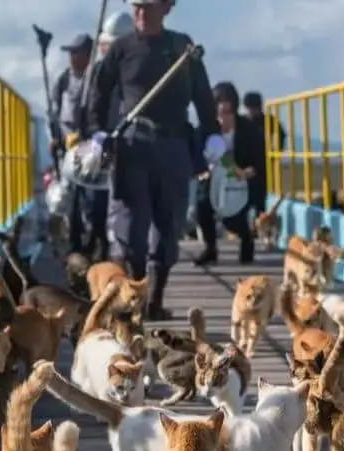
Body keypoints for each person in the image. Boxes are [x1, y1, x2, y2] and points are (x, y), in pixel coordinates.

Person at [85, 0, 223, 320]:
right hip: (133, 146)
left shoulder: (182, 48)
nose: (141, 13)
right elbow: (99, 92)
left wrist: (212, 132)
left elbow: (202, 93)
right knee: (132, 226)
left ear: (167, 8)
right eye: (137, 7)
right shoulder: (121, 49)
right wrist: (96, 132)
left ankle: (155, 300)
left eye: (148, 6)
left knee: (168, 224)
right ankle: (135, 301)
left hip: (174, 146)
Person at [78, 12, 134, 261]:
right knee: (96, 204)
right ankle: (102, 248)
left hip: (129, 145)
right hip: (100, 146)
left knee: (125, 206)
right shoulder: (96, 72)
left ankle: (121, 253)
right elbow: (89, 109)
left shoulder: (134, 73)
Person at [194, 82, 262, 266]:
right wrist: (201, 171)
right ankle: (210, 248)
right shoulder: (206, 128)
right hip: (212, 177)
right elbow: (196, 152)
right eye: (219, 103)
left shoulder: (247, 128)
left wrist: (246, 173)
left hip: (239, 178)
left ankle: (246, 240)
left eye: (227, 103)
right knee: (202, 207)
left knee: (232, 220)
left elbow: (257, 159)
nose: (223, 107)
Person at [49, 33, 94, 246]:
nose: (72, 58)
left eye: (77, 53)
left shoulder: (95, 79)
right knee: (69, 197)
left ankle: (93, 240)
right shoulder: (64, 80)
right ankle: (72, 240)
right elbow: (55, 113)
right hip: (68, 149)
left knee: (92, 201)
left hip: (92, 150)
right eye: (71, 53)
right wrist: (55, 139)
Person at [242, 91, 285, 218]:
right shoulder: (242, 122)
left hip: (262, 165)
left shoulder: (268, 121)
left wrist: (274, 153)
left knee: (259, 199)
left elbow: (281, 136)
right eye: (250, 108)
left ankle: (258, 225)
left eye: (254, 108)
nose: (252, 111)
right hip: (244, 166)